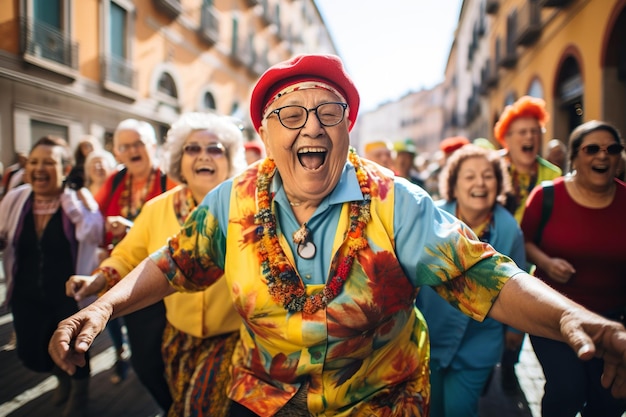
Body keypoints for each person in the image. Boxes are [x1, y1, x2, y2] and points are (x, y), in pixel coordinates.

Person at [49, 54, 626, 417]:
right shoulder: (233, 199)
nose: (313, 126)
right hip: (263, 398)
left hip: (381, 399)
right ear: (266, 135)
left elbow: (484, 274)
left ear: (349, 130)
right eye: (291, 114)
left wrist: (571, 317)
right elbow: (173, 263)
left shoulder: (394, 200)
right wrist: (101, 310)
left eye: (329, 112)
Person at [66, 112, 246, 416]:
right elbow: (127, 254)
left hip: (234, 340)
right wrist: (97, 280)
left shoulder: (248, 206)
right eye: (192, 148)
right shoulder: (156, 209)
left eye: (215, 148)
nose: (204, 155)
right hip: (176, 338)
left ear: (229, 159)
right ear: (179, 159)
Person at [521, 120, 626, 417]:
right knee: (566, 391)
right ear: (575, 157)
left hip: (613, 320)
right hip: (552, 315)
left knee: (610, 399)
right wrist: (546, 262)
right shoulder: (546, 196)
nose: (602, 156)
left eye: (612, 149)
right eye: (592, 149)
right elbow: (525, 242)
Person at [416, 144, 525, 417]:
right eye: (469, 176)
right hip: (429, 337)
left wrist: (515, 330)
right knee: (430, 409)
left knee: (459, 410)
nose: (480, 183)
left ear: (498, 182)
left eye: (488, 175)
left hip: (479, 343)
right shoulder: (431, 217)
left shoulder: (509, 227)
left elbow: (520, 277)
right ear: (453, 183)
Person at [0, 136, 103, 417]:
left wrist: (76, 202)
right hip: (26, 293)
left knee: (73, 348)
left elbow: (93, 234)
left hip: (67, 296)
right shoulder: (15, 198)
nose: (39, 168)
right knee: (33, 352)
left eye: (49, 162)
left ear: (65, 168)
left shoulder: (77, 199)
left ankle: (78, 393)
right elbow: (4, 234)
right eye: (34, 162)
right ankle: (60, 377)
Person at [94, 118, 177, 408]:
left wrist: (132, 228)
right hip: (130, 280)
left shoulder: (172, 179)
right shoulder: (114, 181)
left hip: (170, 284)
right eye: (125, 146)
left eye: (139, 143)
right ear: (117, 152)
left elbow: (187, 232)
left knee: (171, 358)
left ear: (153, 146)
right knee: (145, 363)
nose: (133, 151)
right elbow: (96, 222)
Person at [492, 95, 562, 390]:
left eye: (535, 131)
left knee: (520, 315)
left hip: (529, 259)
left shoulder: (553, 175)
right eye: (522, 132)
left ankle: (509, 365)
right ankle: (486, 364)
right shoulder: (493, 168)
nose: (530, 137)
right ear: (506, 138)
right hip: (494, 251)